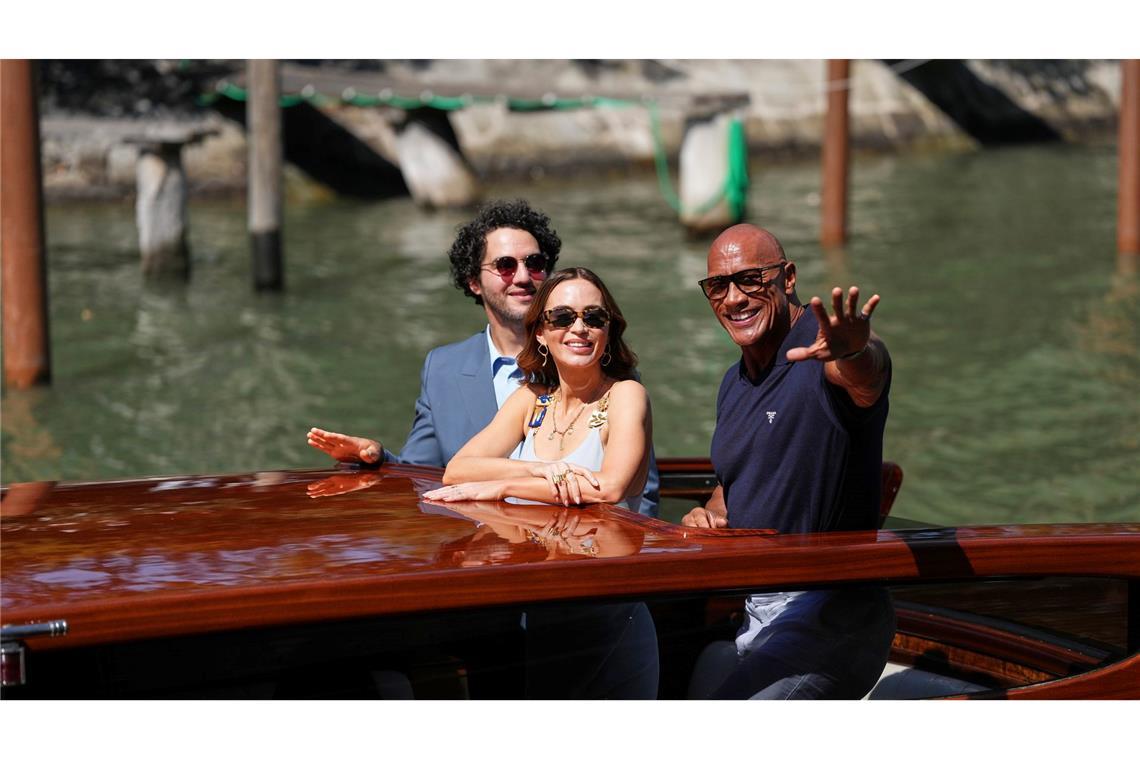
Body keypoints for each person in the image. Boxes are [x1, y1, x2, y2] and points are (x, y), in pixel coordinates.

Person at [306, 199, 659, 516]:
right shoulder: (451, 371)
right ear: (474, 281)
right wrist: (377, 459)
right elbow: (428, 472)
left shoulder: (619, 387)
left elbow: (632, 485)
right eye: (505, 266)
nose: (522, 276)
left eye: (535, 264)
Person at [423, 266, 658, 699]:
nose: (580, 328)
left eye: (594, 317)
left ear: (609, 330)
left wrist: (500, 487)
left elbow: (608, 488)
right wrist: (536, 472)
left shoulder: (626, 395)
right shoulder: (530, 399)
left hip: (609, 613)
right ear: (541, 333)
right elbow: (458, 469)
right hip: (543, 614)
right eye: (562, 318)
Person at [683, 223, 895, 700]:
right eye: (718, 285)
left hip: (833, 608)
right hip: (758, 607)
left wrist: (859, 350)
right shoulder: (732, 384)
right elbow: (735, 483)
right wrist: (711, 515)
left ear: (788, 277)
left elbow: (867, 377)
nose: (734, 298)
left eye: (752, 279)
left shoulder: (821, 349)